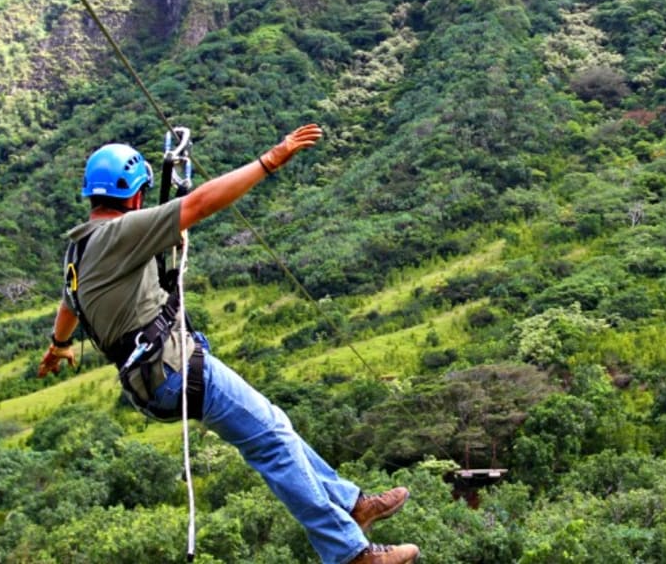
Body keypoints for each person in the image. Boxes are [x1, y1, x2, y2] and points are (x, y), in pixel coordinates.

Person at [38, 124, 420, 564]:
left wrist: (58, 345)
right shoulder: (120, 233)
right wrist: (270, 160)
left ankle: (353, 504)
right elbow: (199, 204)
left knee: (276, 426)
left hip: (153, 379)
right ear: (135, 195)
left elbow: (69, 306)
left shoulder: (79, 249)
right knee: (272, 443)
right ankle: (351, 553)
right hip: (175, 370)